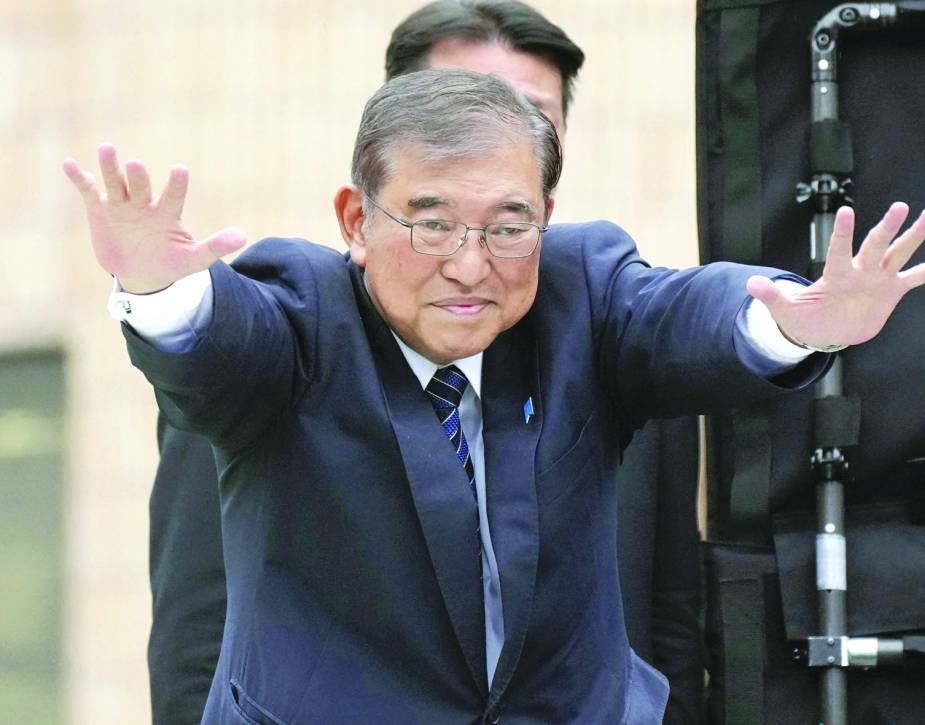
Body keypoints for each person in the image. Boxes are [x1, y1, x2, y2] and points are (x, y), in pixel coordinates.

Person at [64, 68, 925, 724]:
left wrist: (796, 321)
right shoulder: (301, 311)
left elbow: (681, 315)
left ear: (546, 213)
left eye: (507, 225)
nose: (469, 264)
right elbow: (220, 347)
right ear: (355, 220)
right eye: (432, 222)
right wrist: (163, 292)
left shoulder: (580, 288)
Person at [146, 2, 704, 723]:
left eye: (526, 110)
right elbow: (198, 629)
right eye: (460, 102)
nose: (485, 126)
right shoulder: (272, 344)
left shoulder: (624, 336)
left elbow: (669, 629)